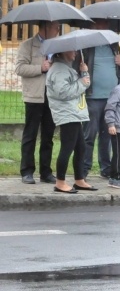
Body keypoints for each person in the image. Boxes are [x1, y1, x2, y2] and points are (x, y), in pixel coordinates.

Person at [75, 19, 120, 179]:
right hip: (92, 97)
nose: (103, 27)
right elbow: (76, 69)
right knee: (89, 134)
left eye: (105, 25)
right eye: (99, 24)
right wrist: (83, 70)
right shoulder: (86, 48)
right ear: (93, 27)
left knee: (107, 135)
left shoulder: (114, 46)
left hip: (111, 99)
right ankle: (84, 168)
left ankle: (106, 168)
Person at [14, 21, 60, 185]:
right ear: (45, 27)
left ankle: (46, 172)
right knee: (30, 135)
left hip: (52, 95)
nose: (58, 30)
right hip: (34, 96)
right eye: (56, 27)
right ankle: (27, 171)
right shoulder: (27, 45)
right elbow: (19, 68)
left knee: (48, 136)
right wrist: (40, 67)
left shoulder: (57, 46)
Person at [46, 49, 96, 193]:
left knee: (81, 148)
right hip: (67, 114)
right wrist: (82, 81)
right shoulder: (59, 70)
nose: (75, 53)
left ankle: (79, 180)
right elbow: (63, 92)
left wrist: (84, 73)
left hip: (73, 113)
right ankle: (60, 182)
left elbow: (82, 84)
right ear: (61, 52)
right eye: (71, 50)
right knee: (67, 148)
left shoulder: (66, 68)